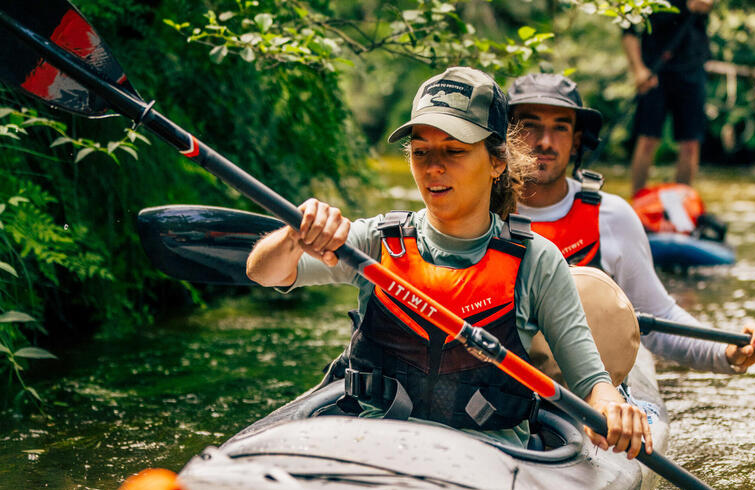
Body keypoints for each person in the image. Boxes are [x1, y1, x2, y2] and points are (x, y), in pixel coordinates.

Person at [247, 66, 652, 458]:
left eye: (454, 151)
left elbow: (593, 384)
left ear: (497, 162)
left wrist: (612, 408)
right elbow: (264, 272)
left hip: (492, 465)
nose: (433, 167)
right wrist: (295, 233)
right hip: (374, 449)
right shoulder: (376, 242)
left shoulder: (536, 262)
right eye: (420, 151)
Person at [506, 72, 755, 375]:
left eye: (560, 127)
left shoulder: (612, 216)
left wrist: (727, 353)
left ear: (576, 141)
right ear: (507, 135)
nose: (545, 142)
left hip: (594, 391)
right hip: (511, 390)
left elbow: (658, 317)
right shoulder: (479, 215)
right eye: (530, 126)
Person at [622, 0, 714, 196]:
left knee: (690, 142)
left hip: (692, 69)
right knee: (647, 138)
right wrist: (638, 69)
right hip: (654, 71)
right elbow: (629, 30)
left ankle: (683, 203)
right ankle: (637, 202)